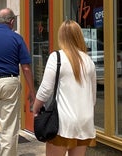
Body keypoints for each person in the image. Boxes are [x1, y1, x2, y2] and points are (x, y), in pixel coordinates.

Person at [32, 20, 97, 156]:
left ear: (61, 37)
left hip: (63, 123)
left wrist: (36, 108)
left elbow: (45, 89)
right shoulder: (88, 61)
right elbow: (93, 97)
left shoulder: (56, 57)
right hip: (85, 122)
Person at [0, 8, 36, 156]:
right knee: (9, 126)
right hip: (9, 82)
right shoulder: (17, 38)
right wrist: (32, 91)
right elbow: (26, 68)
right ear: (12, 21)